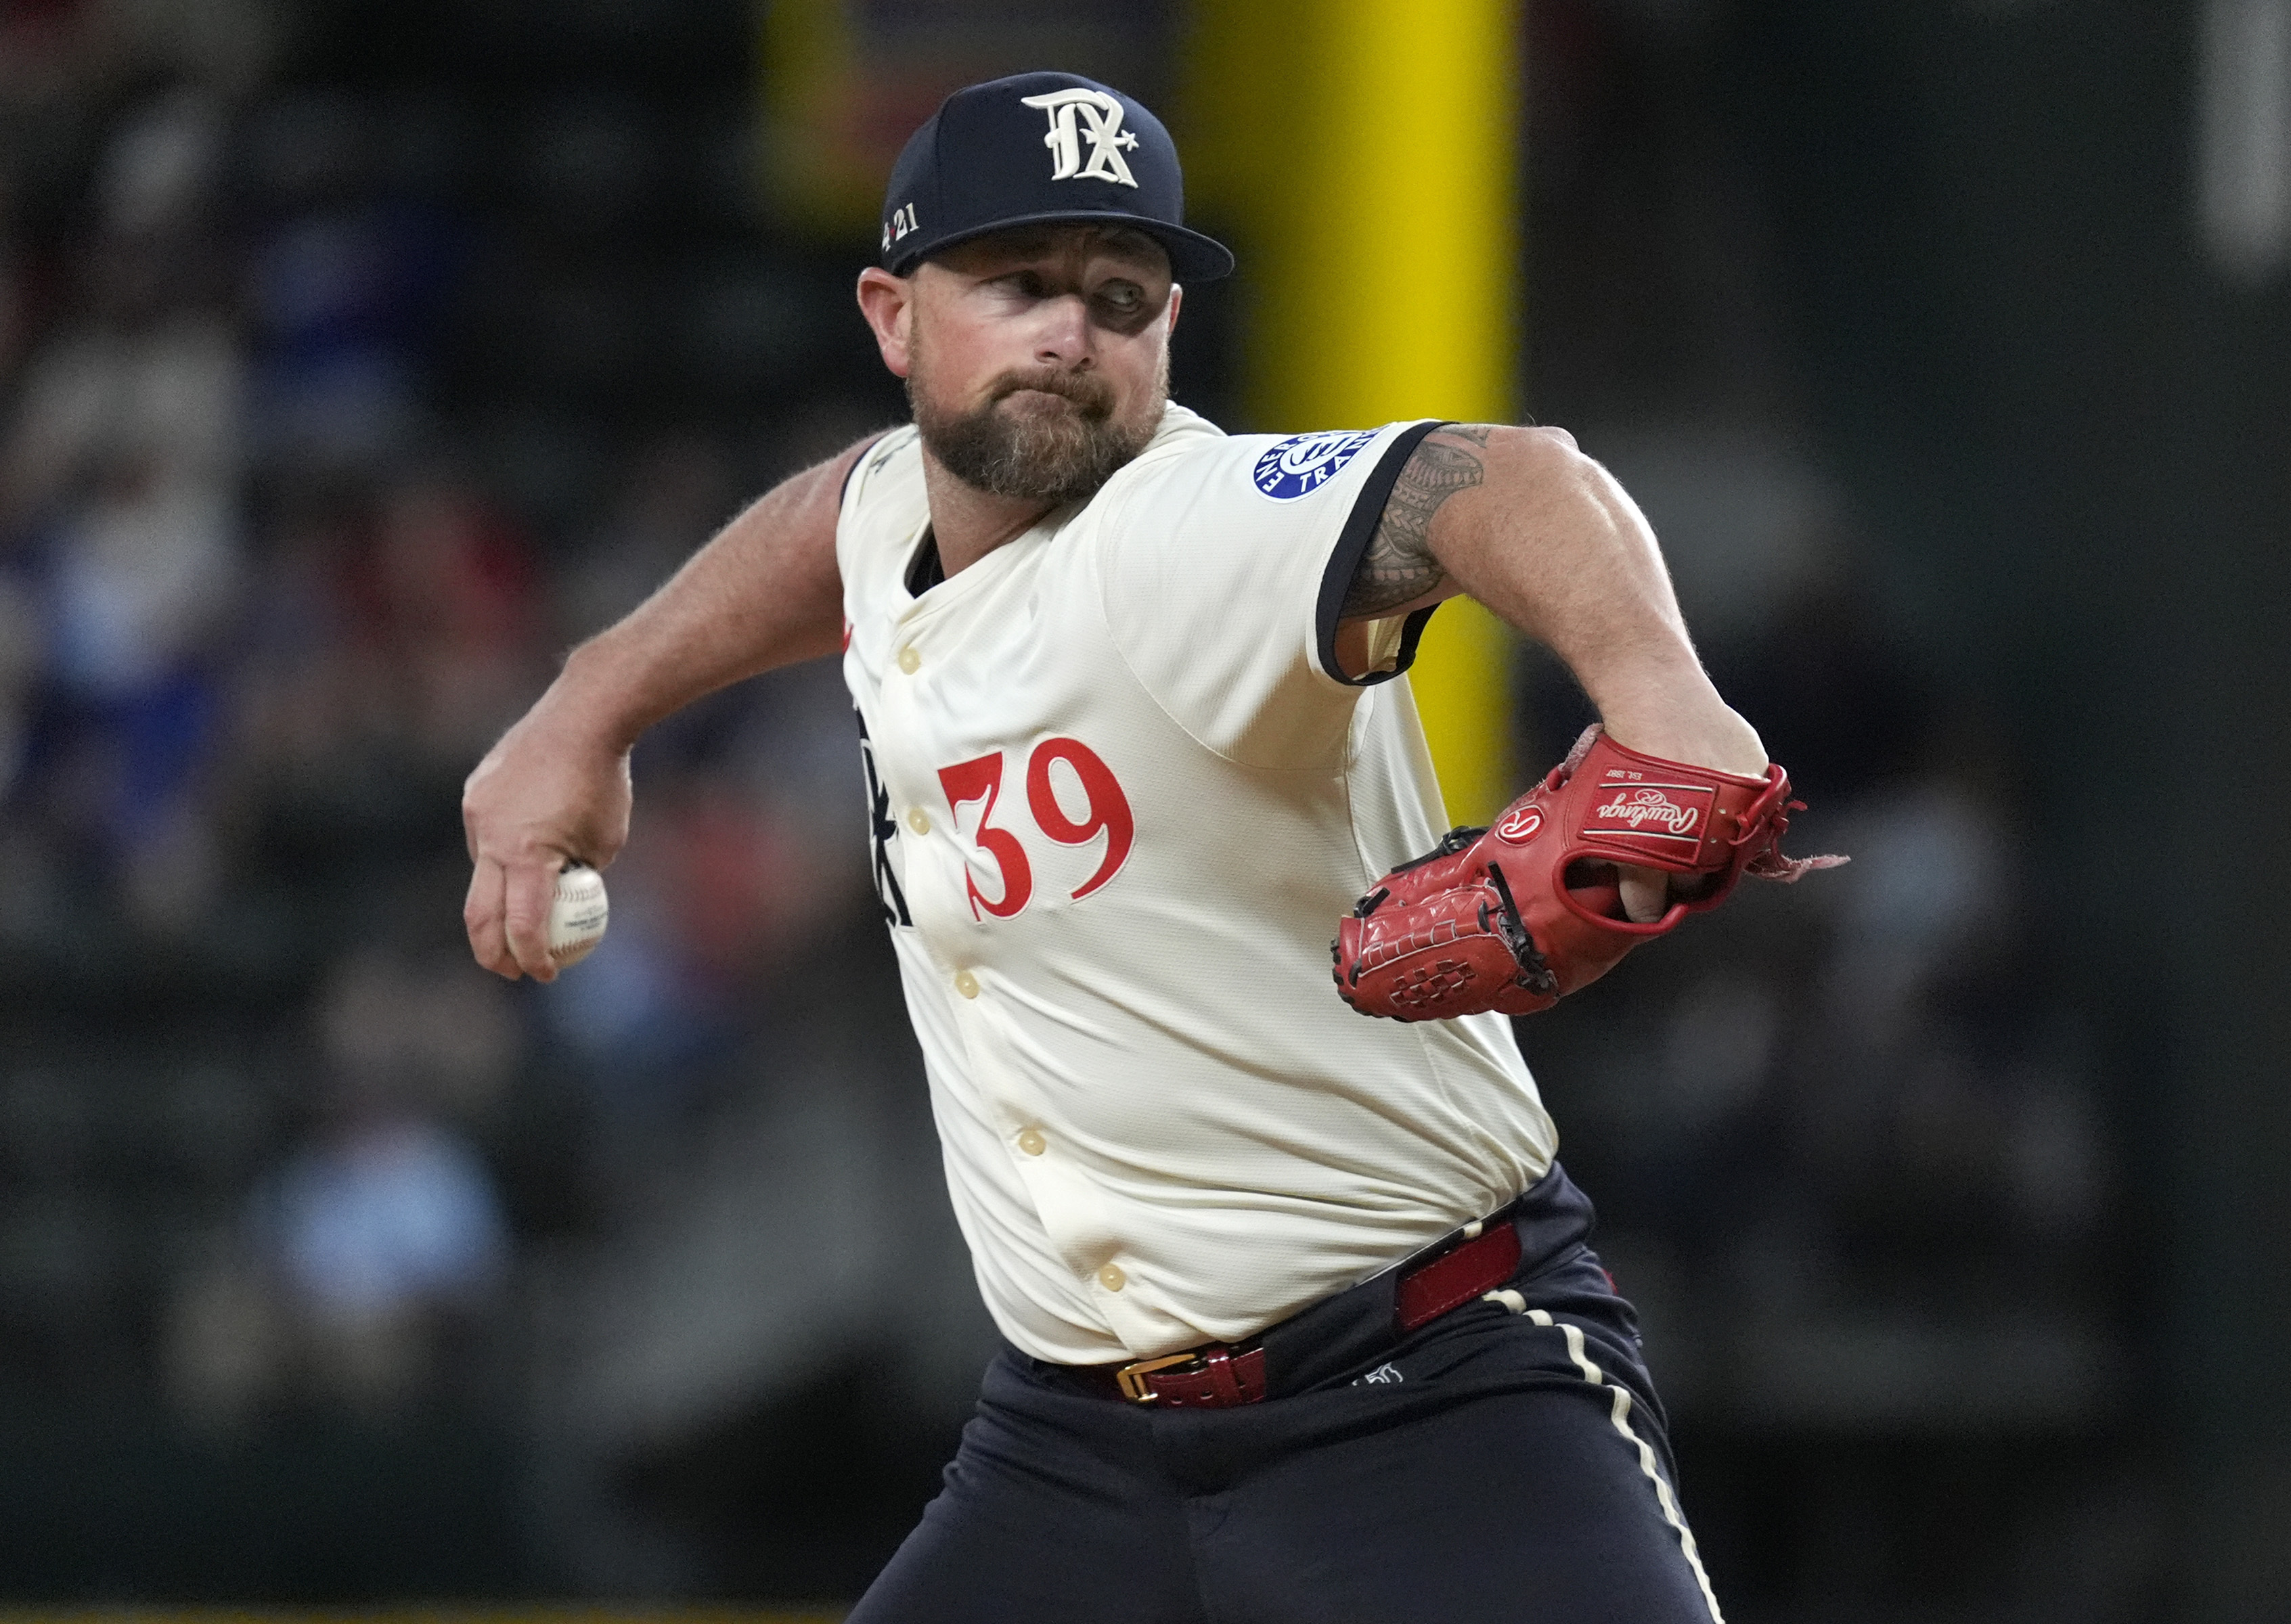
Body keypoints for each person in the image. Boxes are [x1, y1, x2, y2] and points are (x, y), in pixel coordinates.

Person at [463, 72, 1769, 1623]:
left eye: (1120, 295)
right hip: (1071, 1454)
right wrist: (586, 706)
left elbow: (1506, 479)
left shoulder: (1187, 535)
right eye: (1016, 284)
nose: (1068, 334)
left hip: (1427, 1402)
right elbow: (839, 524)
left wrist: (1666, 704)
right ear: (892, 318)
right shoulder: (903, 518)